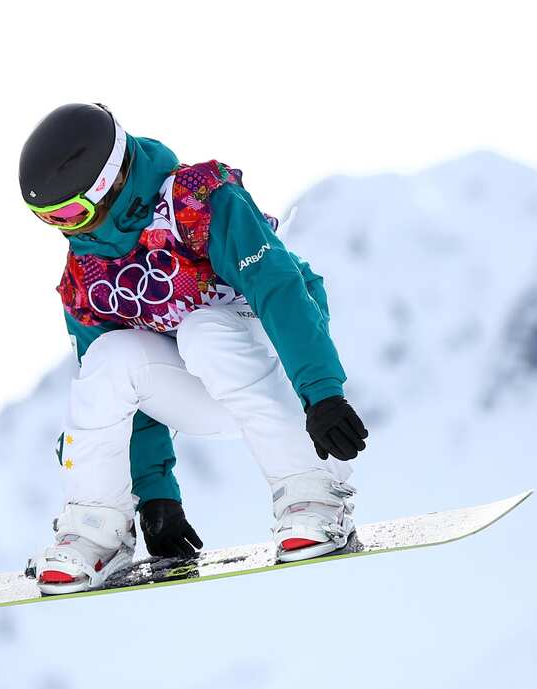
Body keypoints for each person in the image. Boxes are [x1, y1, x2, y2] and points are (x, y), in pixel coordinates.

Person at [20, 103, 368, 595]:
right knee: (109, 357)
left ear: (108, 183)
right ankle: (98, 528)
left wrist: (322, 392)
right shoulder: (87, 276)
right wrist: (156, 495)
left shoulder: (198, 202)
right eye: (47, 218)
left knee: (203, 330)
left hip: (276, 365)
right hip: (201, 385)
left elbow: (278, 289)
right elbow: (121, 402)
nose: (67, 229)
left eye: (71, 212)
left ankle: (314, 493)